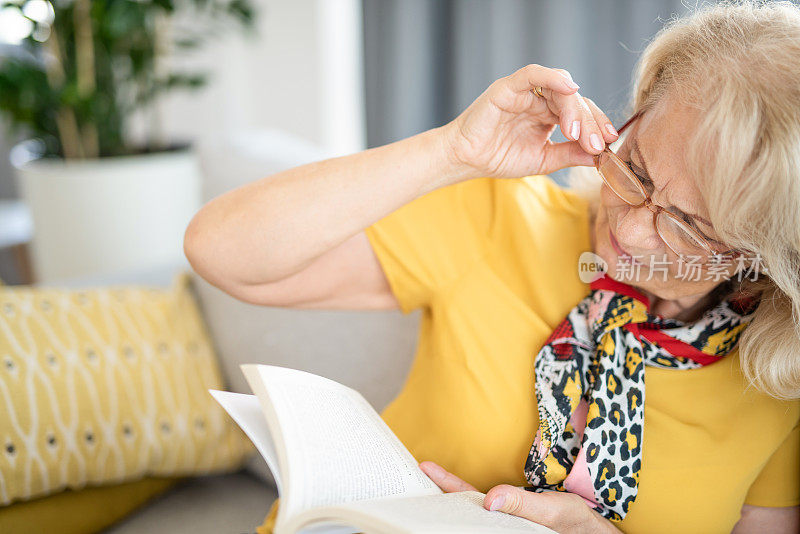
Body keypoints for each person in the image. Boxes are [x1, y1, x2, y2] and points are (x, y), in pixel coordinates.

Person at [184, 1, 800, 532]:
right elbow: (222, 252)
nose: (630, 227)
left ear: (765, 256)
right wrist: (452, 152)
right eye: (634, 165)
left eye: (686, 226)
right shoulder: (502, 220)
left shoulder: (777, 380)